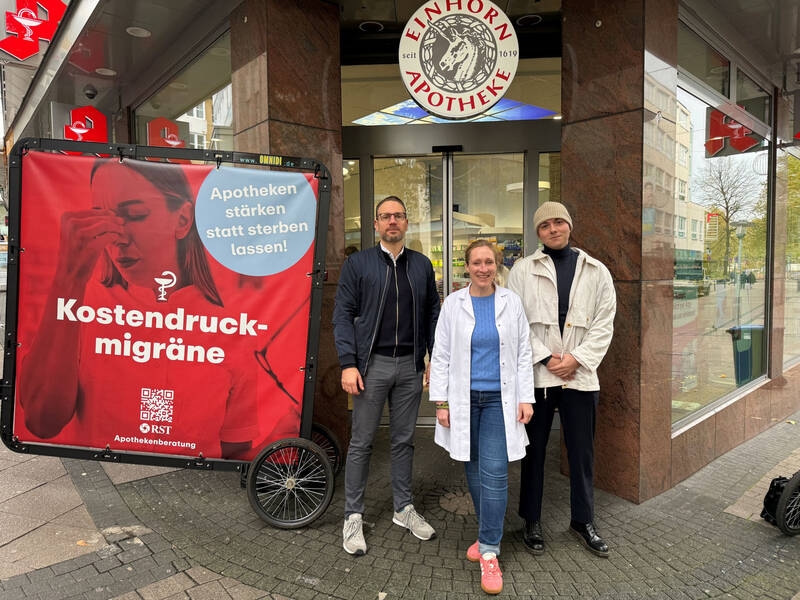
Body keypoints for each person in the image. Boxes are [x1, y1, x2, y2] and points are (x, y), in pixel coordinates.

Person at [18, 158, 259, 460]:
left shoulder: (230, 327)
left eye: (134, 214)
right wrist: (67, 279)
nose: (116, 236)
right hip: (104, 487)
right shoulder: (81, 305)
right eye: (100, 218)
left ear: (183, 220)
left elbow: (236, 449)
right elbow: (41, 421)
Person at [332, 195, 441, 556]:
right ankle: (353, 515)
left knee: (404, 441)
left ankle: (403, 509)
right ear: (376, 224)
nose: (392, 222)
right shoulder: (358, 264)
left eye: (398, 216)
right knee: (362, 442)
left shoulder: (422, 266)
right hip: (370, 367)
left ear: (406, 223)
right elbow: (343, 315)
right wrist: (348, 362)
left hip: (410, 366)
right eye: (385, 217)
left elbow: (432, 315)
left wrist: (432, 358)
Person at [507, 201, 616, 558]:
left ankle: (583, 521)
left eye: (559, 222)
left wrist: (577, 360)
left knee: (582, 452)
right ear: (537, 232)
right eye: (545, 225)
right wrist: (546, 357)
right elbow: (515, 320)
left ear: (569, 225)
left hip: (580, 377)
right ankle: (532, 519)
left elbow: (604, 323)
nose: (553, 229)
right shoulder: (523, 270)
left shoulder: (596, 271)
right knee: (534, 451)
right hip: (539, 377)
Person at [429, 239, 534, 595]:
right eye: (477, 262)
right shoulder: (453, 305)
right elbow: (440, 356)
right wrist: (440, 404)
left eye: (490, 262)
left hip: (498, 401)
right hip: (462, 401)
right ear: (467, 267)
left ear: (497, 265)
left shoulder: (511, 303)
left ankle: (489, 549)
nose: (484, 268)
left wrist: (526, 398)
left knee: (495, 472)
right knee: (472, 467)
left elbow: (523, 353)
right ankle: (487, 534)